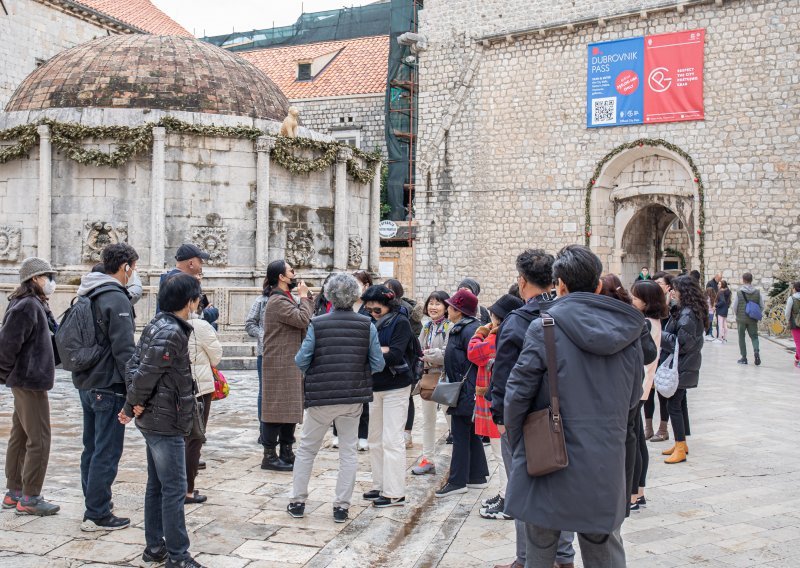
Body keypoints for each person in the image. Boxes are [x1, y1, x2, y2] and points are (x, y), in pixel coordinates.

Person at [505, 245, 644, 568]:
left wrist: (518, 438)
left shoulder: (545, 327)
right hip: (605, 458)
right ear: (597, 285)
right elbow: (634, 396)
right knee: (603, 545)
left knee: (540, 546)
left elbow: (518, 394)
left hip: (549, 455)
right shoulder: (629, 330)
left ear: (560, 285)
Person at [489, 249, 570, 568]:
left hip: (526, 421)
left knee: (524, 491)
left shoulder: (518, 321)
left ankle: (525, 560)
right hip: (564, 416)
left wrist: (501, 417)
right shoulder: (565, 312)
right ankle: (563, 558)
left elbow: (505, 375)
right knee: (561, 490)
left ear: (522, 281)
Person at [120, 273, 205, 568]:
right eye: (197, 297)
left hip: (156, 416)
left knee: (157, 485)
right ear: (189, 301)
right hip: (165, 419)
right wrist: (132, 405)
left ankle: (155, 547)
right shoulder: (172, 332)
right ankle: (179, 556)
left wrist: (137, 403)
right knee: (174, 488)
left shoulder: (157, 324)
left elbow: (133, 365)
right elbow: (143, 374)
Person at [288, 273, 385, 523]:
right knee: (348, 452)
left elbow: (301, 360)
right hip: (352, 398)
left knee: (307, 449)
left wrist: (317, 372)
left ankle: (297, 501)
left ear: (329, 295)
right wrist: (356, 372)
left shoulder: (317, 323)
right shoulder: (367, 325)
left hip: (320, 398)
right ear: (355, 297)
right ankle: (341, 506)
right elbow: (378, 363)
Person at [73, 243, 138, 531]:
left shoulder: (88, 290)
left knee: (92, 447)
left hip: (87, 382)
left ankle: (94, 500)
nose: (132, 273)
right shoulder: (116, 297)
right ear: (125, 266)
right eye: (133, 268)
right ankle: (97, 513)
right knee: (107, 451)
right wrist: (135, 390)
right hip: (109, 384)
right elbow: (125, 350)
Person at [0, 258, 60, 516]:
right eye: (48, 276)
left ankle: (14, 491)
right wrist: (5, 375)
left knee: (21, 435)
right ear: (35, 279)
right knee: (40, 439)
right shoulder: (27, 306)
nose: (51, 282)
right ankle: (30, 496)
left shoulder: (30, 304)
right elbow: (7, 345)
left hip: (26, 379)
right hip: (29, 380)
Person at [469, 293, 523, 520]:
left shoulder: (496, 338)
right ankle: (504, 494)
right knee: (501, 453)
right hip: (497, 400)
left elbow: (474, 352)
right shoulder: (505, 334)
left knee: (502, 455)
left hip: (496, 402)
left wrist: (480, 332)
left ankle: (506, 498)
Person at [361, 285, 414, 507]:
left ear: (388, 306)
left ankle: (395, 492)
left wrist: (374, 351)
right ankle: (380, 484)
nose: (372, 313)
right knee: (374, 439)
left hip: (396, 386)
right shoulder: (366, 321)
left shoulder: (400, 322)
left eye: (377, 310)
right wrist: (381, 350)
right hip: (374, 386)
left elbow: (395, 355)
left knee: (392, 439)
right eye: (369, 310)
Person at [435, 289, 490, 497]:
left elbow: (475, 360)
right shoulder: (471, 328)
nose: (447, 309)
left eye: (450, 306)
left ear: (459, 309)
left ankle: (457, 481)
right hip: (469, 388)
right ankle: (477, 476)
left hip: (465, 389)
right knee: (470, 432)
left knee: (459, 434)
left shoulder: (465, 330)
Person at [260, 260, 314, 471]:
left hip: (289, 360)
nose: (294, 274)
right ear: (281, 277)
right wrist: (303, 297)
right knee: (275, 410)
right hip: (279, 362)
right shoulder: (277, 301)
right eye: (291, 271)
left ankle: (286, 452)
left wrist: (305, 299)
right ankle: (269, 456)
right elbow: (302, 319)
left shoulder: (285, 298)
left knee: (289, 407)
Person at [630, 280, 668, 509]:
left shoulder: (644, 323)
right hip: (644, 384)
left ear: (647, 301)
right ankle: (639, 492)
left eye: (635, 297)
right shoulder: (653, 320)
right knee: (638, 444)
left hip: (639, 384)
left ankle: (634, 494)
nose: (632, 301)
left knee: (634, 444)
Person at [660, 275, 706, 465]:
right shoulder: (687, 311)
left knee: (674, 405)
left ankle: (680, 447)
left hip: (682, 364)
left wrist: (659, 334)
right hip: (685, 364)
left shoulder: (687, 314)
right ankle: (681, 442)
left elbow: (682, 343)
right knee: (679, 402)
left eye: (675, 289)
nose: (673, 292)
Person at [185, 305, 223, 504]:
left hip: (171, 388)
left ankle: (173, 486)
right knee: (194, 439)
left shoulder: (160, 323)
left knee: (176, 439)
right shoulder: (200, 326)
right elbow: (216, 357)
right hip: (198, 387)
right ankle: (188, 490)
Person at [411, 291, 451, 476]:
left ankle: (459, 460)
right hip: (428, 378)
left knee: (451, 420)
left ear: (446, 306)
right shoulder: (427, 327)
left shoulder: (450, 327)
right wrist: (429, 354)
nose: (433, 307)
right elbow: (419, 350)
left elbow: (448, 354)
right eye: (431, 303)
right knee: (427, 421)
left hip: (446, 379)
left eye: (438, 303)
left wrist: (429, 354)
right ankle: (428, 458)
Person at [385, 278, 423, 449]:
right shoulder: (383, 309)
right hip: (395, 357)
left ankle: (406, 433)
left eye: (389, 289)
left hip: (406, 357)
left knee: (407, 396)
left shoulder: (404, 311)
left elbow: (414, 333)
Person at [158, 244, 218, 328]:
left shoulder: (169, 278)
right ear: (191, 263)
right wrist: (212, 312)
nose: (202, 263)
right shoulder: (183, 283)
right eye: (200, 261)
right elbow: (194, 314)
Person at [646, 271, 674, 442]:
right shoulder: (649, 304)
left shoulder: (673, 306)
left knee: (662, 393)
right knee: (647, 391)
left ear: (668, 286)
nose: (657, 285)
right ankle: (648, 427)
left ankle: (663, 429)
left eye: (660, 282)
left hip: (664, 355)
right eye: (654, 282)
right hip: (650, 353)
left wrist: (668, 307)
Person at [244, 288, 269, 448]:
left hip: (287, 353)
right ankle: (264, 430)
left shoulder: (293, 299)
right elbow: (250, 324)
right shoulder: (261, 301)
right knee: (264, 392)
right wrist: (263, 335)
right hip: (265, 352)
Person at [732, 272, 765, 365]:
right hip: (752, 319)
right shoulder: (757, 292)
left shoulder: (739, 292)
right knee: (754, 337)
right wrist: (755, 313)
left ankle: (744, 357)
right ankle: (756, 351)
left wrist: (737, 315)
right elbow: (762, 306)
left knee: (741, 337)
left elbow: (735, 306)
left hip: (741, 319)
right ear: (751, 280)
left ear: (743, 280)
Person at [786, 282, 800, 368]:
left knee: (798, 343)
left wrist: (788, 320)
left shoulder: (791, 298)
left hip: (795, 323)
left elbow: (787, 313)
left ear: (794, 289)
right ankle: (797, 358)